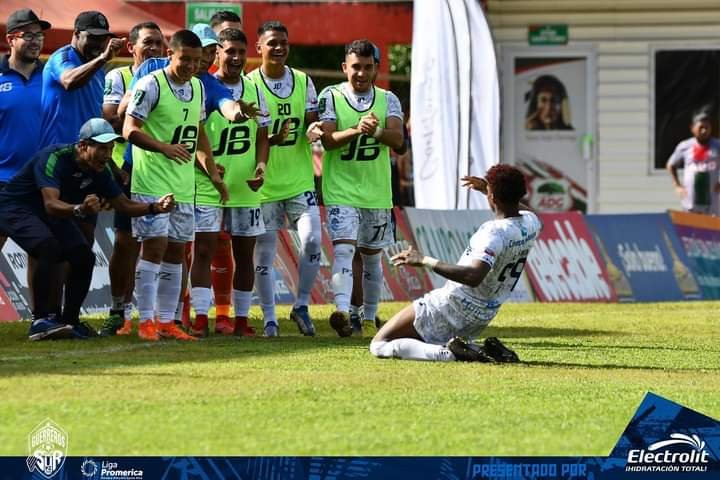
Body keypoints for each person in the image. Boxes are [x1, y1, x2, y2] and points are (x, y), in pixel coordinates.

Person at [0, 118, 174, 341]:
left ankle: (69, 321)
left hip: (52, 212)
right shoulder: (54, 158)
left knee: (83, 256)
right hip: (15, 207)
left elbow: (123, 205)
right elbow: (51, 204)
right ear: (82, 145)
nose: (108, 155)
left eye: (111, 148)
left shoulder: (99, 170)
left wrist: (154, 207)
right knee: (48, 248)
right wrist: (80, 209)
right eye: (102, 148)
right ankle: (40, 321)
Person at [370, 165, 542, 362]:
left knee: (379, 344)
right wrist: (490, 189)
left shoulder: (493, 232)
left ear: (492, 196)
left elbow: (473, 276)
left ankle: (449, 354)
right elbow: (522, 210)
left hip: (450, 305)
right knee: (414, 339)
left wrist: (424, 260)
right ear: (521, 194)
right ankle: (482, 348)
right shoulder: (532, 223)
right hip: (482, 316)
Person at [123, 29, 217, 342]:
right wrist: (163, 147)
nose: (191, 65)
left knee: (177, 252)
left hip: (184, 186)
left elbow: (199, 132)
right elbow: (129, 129)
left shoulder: (199, 89)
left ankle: (166, 321)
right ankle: (145, 321)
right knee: (154, 247)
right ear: (169, 55)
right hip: (151, 182)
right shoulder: (151, 84)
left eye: (196, 60)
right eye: (184, 59)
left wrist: (212, 172)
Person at [314, 39, 404, 337]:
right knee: (342, 249)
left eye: (368, 68)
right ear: (345, 67)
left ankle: (367, 316)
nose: (361, 74)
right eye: (356, 67)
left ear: (376, 69)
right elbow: (327, 140)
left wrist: (375, 130)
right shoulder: (331, 96)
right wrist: (356, 129)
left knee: (372, 258)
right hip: (341, 190)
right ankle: (341, 310)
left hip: (376, 193)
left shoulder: (388, 99)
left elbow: (399, 141)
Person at [191, 28, 270, 337]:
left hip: (245, 185)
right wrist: (209, 169)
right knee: (204, 251)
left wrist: (261, 166)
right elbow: (198, 135)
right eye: (229, 51)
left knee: (244, 255)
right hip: (208, 183)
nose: (235, 57)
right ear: (217, 54)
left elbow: (263, 136)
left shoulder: (254, 89)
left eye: (241, 51)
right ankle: (200, 317)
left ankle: (238, 320)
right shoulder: (202, 86)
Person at [247, 21, 322, 337]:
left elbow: (312, 122)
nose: (279, 48)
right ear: (259, 48)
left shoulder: (304, 81)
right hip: (263, 184)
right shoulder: (249, 84)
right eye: (272, 43)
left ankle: (301, 305)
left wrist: (314, 130)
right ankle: (269, 319)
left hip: (300, 181)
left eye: (284, 43)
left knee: (313, 240)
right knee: (264, 253)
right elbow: (248, 134)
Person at [102, 21, 164, 332]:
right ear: (132, 47)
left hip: (165, 171)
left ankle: (157, 315)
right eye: (148, 43)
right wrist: (135, 96)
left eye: (159, 44)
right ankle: (119, 310)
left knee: (163, 244)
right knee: (126, 243)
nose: (154, 49)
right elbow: (110, 122)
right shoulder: (119, 76)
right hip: (128, 170)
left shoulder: (171, 78)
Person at [0, 9, 52, 251]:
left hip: (43, 182)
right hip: (3, 180)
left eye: (39, 35)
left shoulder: (53, 77)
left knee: (43, 252)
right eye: (28, 35)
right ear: (11, 39)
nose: (36, 41)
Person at [39, 11, 126, 148]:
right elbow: (69, 81)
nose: (99, 44)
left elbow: (95, 115)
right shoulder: (62, 57)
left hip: (86, 155)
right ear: (76, 34)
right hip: (58, 153)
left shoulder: (98, 71)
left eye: (103, 39)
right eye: (93, 38)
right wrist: (103, 58)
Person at [667, 109, 720, 216]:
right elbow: (671, 165)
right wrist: (677, 185)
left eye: (707, 127)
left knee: (712, 230)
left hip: (712, 201)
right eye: (701, 127)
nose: (704, 131)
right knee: (691, 230)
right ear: (692, 128)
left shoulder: (718, 145)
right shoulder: (685, 146)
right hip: (691, 201)